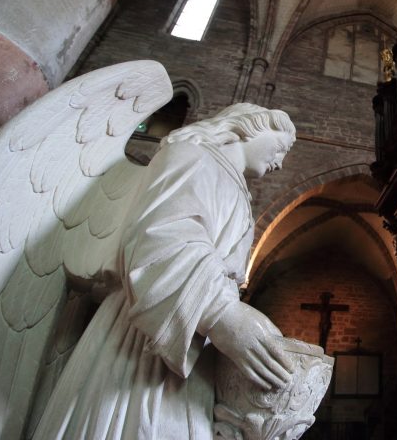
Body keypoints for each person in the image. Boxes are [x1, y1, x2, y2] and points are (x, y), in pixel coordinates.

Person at [32, 103, 298, 439]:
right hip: (147, 333)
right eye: (282, 147)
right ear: (253, 126)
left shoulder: (236, 190)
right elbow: (158, 237)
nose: (281, 162)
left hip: (191, 339)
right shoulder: (191, 156)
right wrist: (220, 313)